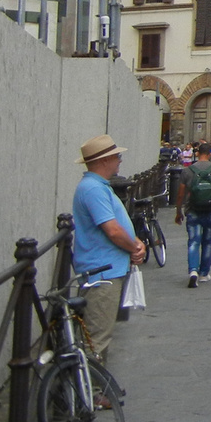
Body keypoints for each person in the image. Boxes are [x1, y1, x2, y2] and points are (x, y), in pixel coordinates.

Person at [70, 134, 145, 362]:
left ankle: (95, 390)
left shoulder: (96, 186)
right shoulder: (93, 189)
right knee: (97, 337)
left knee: (98, 334)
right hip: (102, 272)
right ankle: (91, 392)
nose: (119, 160)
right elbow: (112, 229)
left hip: (104, 269)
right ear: (104, 160)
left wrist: (135, 242)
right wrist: (134, 247)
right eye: (117, 156)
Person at [175, 141, 211, 288]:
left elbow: (180, 195)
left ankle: (193, 271)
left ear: (197, 153)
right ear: (210, 153)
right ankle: (204, 273)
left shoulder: (188, 171)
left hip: (193, 209)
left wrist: (178, 211)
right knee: (208, 241)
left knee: (193, 241)